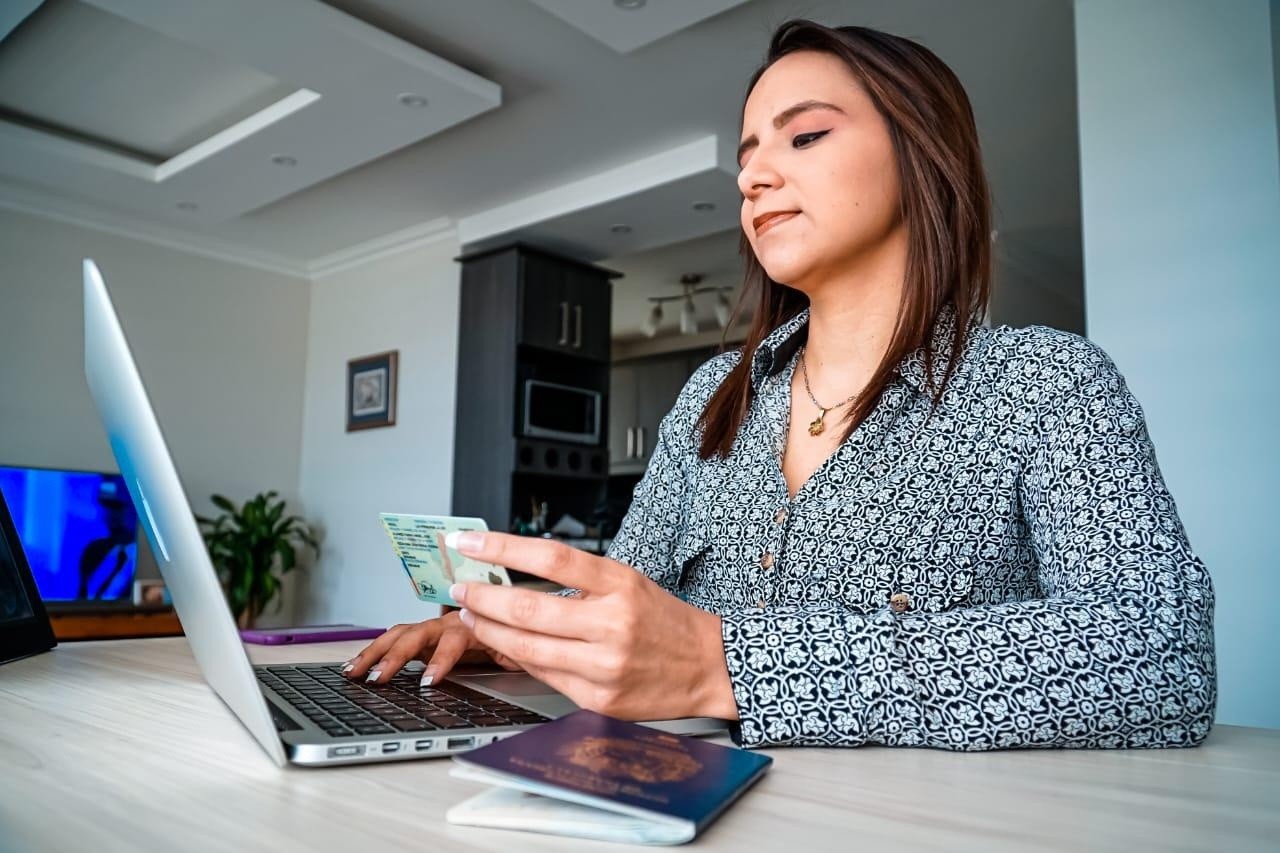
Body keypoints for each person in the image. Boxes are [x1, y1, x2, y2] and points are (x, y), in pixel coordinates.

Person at [343, 20, 1216, 750]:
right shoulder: (710, 397)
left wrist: (731, 664)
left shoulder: (1048, 383)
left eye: (805, 136)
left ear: (922, 152)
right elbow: (627, 594)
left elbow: (1161, 650)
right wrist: (512, 632)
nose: (752, 176)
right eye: (748, 154)